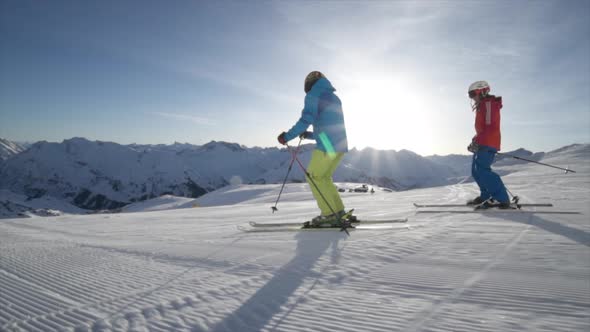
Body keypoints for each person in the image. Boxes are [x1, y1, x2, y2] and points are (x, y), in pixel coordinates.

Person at [277, 71, 351, 226]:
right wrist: (310, 135)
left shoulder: (314, 94)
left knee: (314, 177)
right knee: (323, 178)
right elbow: (328, 124)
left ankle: (329, 214)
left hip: (327, 146)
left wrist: (287, 136)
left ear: (309, 83)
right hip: (339, 145)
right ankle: (338, 211)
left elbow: (306, 119)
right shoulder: (334, 97)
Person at [466, 81, 511, 209]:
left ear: (482, 91)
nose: (472, 97)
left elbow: (490, 126)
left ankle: (500, 198)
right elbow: (483, 129)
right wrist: (475, 140)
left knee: (483, 171)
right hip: (483, 141)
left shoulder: (488, 104)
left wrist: (479, 141)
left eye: (473, 94)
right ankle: (486, 196)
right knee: (476, 171)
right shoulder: (483, 105)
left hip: (488, 142)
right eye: (470, 95)